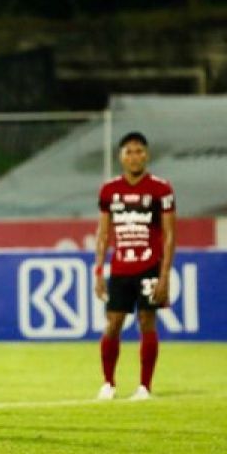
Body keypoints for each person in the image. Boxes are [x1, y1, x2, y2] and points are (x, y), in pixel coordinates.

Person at [93, 131, 177, 401]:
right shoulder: (109, 191)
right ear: (121, 157)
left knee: (146, 321)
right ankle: (108, 383)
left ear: (147, 155)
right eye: (129, 151)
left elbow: (170, 235)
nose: (134, 156)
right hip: (120, 269)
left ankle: (144, 387)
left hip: (150, 267)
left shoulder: (161, 189)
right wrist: (98, 271)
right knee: (113, 323)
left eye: (139, 150)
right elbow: (104, 234)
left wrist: (164, 276)